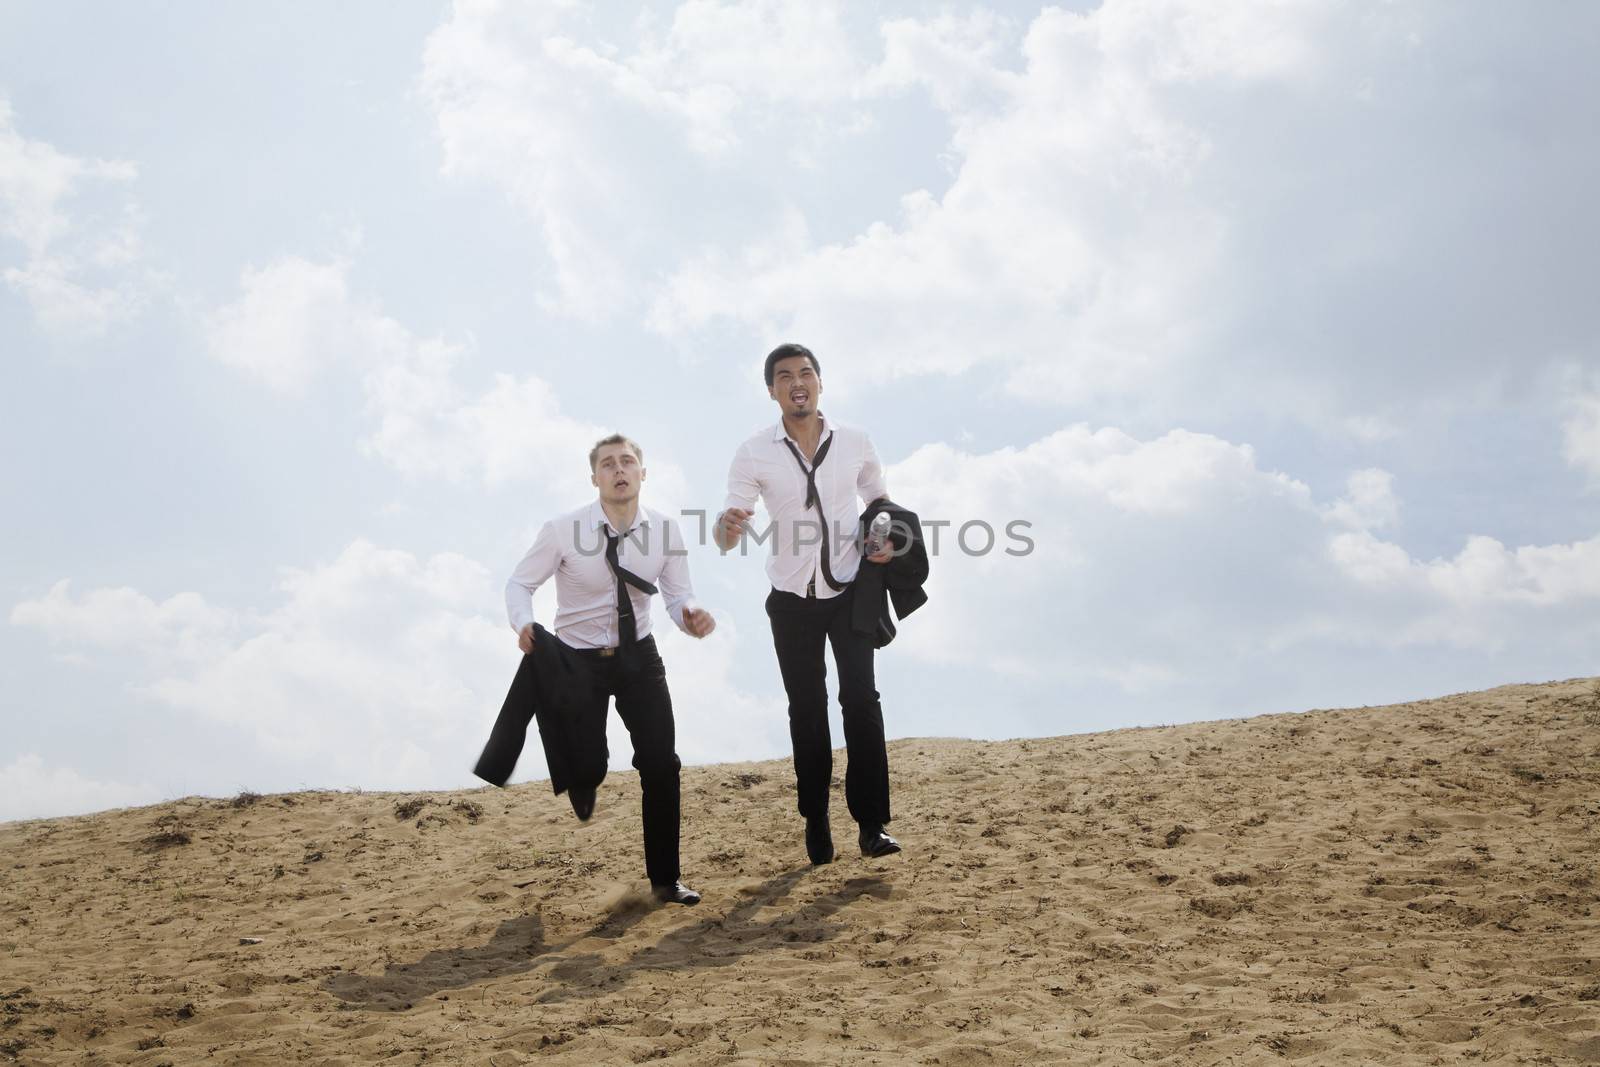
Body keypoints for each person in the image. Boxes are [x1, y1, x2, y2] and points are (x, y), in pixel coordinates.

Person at [478, 434, 714, 906]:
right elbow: (519, 583)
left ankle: (665, 882)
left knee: (661, 763)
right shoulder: (564, 529)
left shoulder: (666, 530)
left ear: (643, 473)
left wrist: (691, 615)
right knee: (591, 765)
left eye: (628, 461)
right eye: (608, 464)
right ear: (595, 478)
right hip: (576, 661)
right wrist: (523, 623)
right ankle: (583, 780)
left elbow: (676, 596)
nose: (619, 469)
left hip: (638, 657)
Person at [714, 343, 902, 865]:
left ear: (820, 381)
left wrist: (885, 535)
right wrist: (727, 527)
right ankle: (816, 819)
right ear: (771, 390)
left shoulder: (857, 441)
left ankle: (872, 825)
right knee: (808, 710)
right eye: (784, 376)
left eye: (805, 373)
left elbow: (880, 502)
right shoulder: (753, 451)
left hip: (849, 590)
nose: (797, 382)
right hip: (792, 600)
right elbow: (730, 527)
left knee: (861, 702)